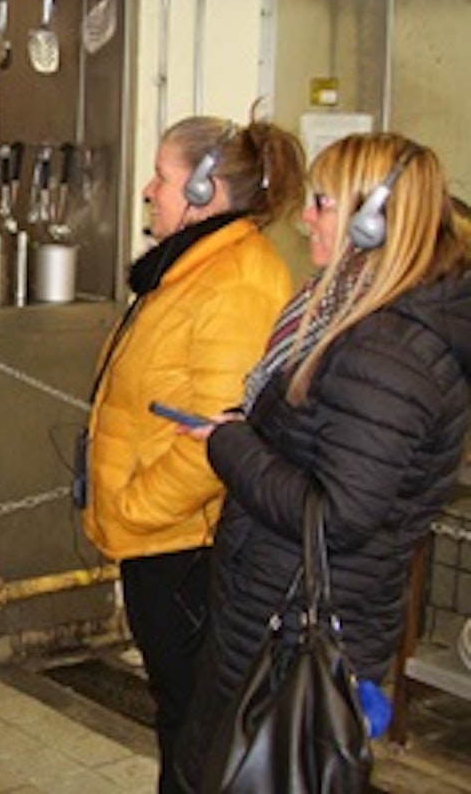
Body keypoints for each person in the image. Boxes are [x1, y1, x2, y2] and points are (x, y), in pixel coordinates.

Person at [170, 132, 471, 791]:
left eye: (323, 203)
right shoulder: (357, 314)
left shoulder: (389, 353)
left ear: (374, 221)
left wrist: (232, 445)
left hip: (297, 625)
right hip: (270, 606)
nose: (305, 217)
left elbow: (337, 515)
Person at [81, 113, 306, 791]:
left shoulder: (235, 281)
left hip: (186, 544)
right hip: (160, 540)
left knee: (199, 727)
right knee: (184, 720)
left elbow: (219, 437)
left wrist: (132, 505)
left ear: (205, 188)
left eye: (163, 176)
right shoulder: (192, 268)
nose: (149, 189)